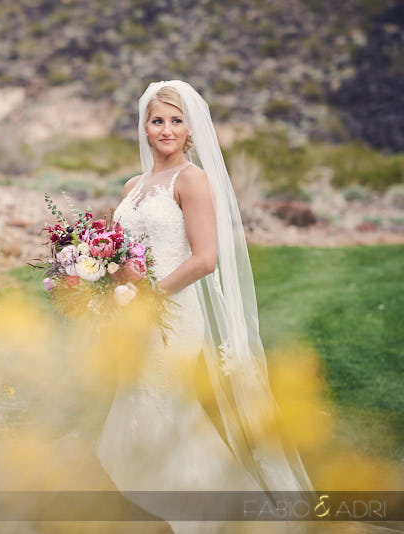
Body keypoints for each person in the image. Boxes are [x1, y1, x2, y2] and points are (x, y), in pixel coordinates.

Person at [96, 80, 314, 534]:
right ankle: (147, 507)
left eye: (177, 121)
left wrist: (150, 293)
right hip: (132, 314)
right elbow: (123, 251)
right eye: (158, 120)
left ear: (191, 130)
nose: (167, 129)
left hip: (173, 315)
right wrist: (101, 277)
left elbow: (205, 258)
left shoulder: (192, 179)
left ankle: (200, 516)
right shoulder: (133, 185)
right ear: (145, 126)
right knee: (131, 398)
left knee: (163, 404)